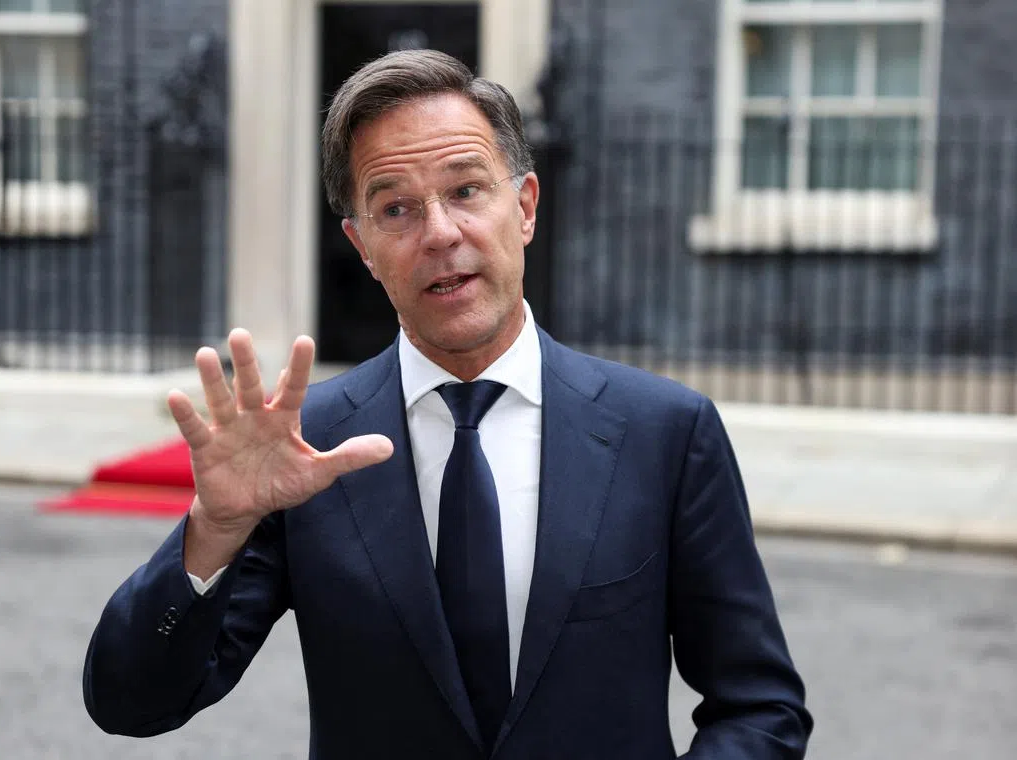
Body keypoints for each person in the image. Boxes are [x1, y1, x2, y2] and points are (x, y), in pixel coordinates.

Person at [82, 49, 812, 759]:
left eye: (466, 191)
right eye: (396, 208)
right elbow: (130, 702)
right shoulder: (308, 450)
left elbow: (759, 707)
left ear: (523, 207)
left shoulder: (665, 433)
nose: (440, 233)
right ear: (363, 246)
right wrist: (216, 528)